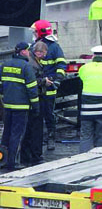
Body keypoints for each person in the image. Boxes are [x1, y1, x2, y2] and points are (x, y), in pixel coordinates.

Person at [0, 42, 39, 171]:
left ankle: (2, 159)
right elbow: (32, 89)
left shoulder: (4, 65)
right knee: (17, 134)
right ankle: (13, 162)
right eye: (28, 50)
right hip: (21, 106)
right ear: (23, 52)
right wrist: (35, 106)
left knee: (6, 133)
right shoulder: (26, 67)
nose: (29, 52)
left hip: (7, 105)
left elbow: (1, 85)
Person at [31, 19, 66, 151]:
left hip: (49, 88)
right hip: (38, 88)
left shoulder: (54, 47)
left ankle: (51, 137)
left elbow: (61, 65)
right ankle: (39, 140)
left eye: (35, 31)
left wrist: (57, 80)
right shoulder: (34, 46)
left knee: (49, 114)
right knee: (37, 115)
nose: (34, 34)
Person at [21, 41, 48, 166]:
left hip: (30, 100)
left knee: (29, 128)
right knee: (35, 128)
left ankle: (27, 155)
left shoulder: (32, 60)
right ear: (39, 52)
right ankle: (35, 155)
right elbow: (32, 82)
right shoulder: (32, 64)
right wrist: (43, 81)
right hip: (35, 99)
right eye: (43, 52)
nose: (44, 55)